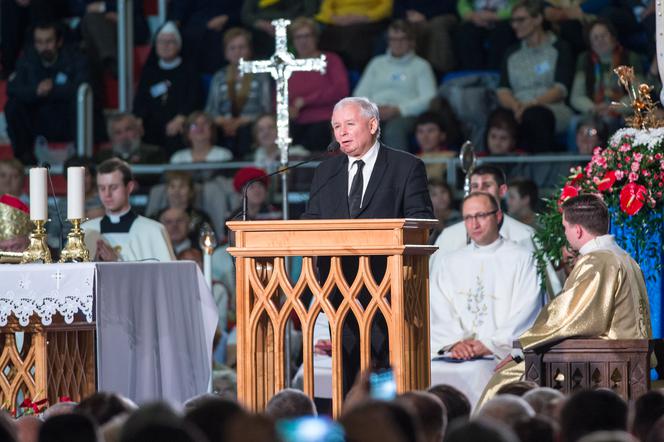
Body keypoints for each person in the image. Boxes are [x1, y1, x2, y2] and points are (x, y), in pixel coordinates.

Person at [302, 96, 434, 392]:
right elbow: (310, 222)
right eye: (336, 126)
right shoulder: (325, 173)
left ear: (373, 124)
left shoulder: (406, 166)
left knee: (389, 382)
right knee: (349, 383)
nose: (341, 133)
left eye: (349, 124)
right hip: (339, 293)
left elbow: (421, 222)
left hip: (388, 294)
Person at [479, 194, 652, 405]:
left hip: (606, 363)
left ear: (577, 230)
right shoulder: (625, 257)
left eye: (565, 227)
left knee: (505, 379)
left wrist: (523, 346)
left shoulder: (598, 261)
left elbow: (571, 318)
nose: (565, 233)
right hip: (624, 357)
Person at [429, 192, 541, 407]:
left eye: (481, 215)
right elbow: (437, 306)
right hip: (456, 354)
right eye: (468, 217)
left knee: (479, 371)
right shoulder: (450, 261)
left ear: (498, 216)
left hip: (501, 354)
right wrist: (454, 342)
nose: (474, 224)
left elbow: (528, 308)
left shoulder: (522, 259)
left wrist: (489, 344)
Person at [5, 22, 89, 164]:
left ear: (59, 41)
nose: (44, 47)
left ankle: (80, 159)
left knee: (79, 103)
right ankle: (24, 158)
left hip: (66, 118)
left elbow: (84, 87)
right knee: (13, 105)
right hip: (39, 119)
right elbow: (12, 88)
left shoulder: (76, 57)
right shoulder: (28, 59)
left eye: (48, 41)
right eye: (39, 42)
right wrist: (36, 90)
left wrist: (53, 89)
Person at [497, 0, 574, 153]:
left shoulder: (560, 48)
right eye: (513, 21)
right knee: (497, 120)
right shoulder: (511, 53)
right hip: (517, 108)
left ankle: (540, 171)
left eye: (520, 20)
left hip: (551, 108)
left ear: (538, 19)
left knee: (534, 116)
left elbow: (560, 89)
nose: (515, 25)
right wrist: (516, 106)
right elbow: (503, 90)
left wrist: (531, 105)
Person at [353, 20, 437, 150]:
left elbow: (429, 99)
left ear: (411, 41)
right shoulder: (376, 63)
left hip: (406, 115)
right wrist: (373, 109)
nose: (397, 44)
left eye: (402, 39)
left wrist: (399, 110)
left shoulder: (421, 66)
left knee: (394, 130)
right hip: (375, 113)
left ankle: (399, 170)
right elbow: (359, 95)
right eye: (393, 39)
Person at [82, 158, 175, 262]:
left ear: (129, 187)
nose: (107, 194)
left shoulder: (153, 231)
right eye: (102, 188)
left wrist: (117, 261)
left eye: (113, 187)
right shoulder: (86, 230)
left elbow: (166, 275)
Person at [133, 22, 203, 155]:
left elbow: (194, 98)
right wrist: (138, 119)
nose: (165, 45)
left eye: (170, 42)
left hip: (179, 124)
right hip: (152, 126)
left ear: (179, 45)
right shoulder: (149, 71)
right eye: (161, 41)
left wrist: (181, 117)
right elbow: (140, 99)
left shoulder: (189, 71)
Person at [205, 27, 272, 158]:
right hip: (223, 126)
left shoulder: (260, 74)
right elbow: (211, 110)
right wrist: (223, 122)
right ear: (225, 53)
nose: (237, 52)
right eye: (232, 48)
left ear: (249, 50)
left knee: (245, 133)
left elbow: (266, 108)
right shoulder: (219, 76)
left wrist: (242, 121)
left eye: (242, 47)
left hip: (251, 125)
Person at [288, 17, 350, 151]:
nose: (303, 41)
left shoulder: (330, 60)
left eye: (307, 36)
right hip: (294, 122)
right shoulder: (288, 66)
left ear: (316, 38)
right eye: (298, 37)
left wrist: (306, 101)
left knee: (316, 135)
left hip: (324, 119)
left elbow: (341, 90)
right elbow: (277, 97)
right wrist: (287, 109)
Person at [95, 112, 168, 165]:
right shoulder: (103, 158)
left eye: (128, 129)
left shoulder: (155, 153)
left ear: (137, 130)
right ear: (111, 137)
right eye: (118, 132)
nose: (124, 136)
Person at [415, 112, 457, 181]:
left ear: (442, 135)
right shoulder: (410, 160)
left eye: (430, 131)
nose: (424, 137)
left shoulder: (452, 157)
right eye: (420, 131)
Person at [428, 179, 460, 244]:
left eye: (443, 192)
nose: (440, 198)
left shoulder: (458, 217)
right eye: (434, 194)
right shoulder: (427, 218)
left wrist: (441, 225)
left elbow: (456, 241)